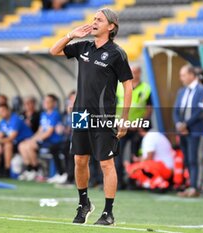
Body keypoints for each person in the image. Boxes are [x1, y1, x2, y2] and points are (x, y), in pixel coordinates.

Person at [50, 8, 133, 225]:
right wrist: (71, 35)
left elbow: (128, 85)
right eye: (93, 19)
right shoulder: (83, 46)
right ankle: (83, 203)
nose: (94, 22)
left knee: (106, 164)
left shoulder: (117, 53)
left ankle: (108, 213)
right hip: (80, 114)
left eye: (99, 20)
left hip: (103, 116)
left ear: (111, 26)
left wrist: (124, 118)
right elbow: (54, 50)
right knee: (79, 160)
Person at [115, 64, 152, 190]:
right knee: (118, 154)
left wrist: (139, 123)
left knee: (134, 154)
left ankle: (133, 181)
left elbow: (149, 108)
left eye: (136, 72)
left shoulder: (146, 88)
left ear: (140, 73)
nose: (133, 74)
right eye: (131, 72)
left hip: (137, 127)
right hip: (122, 126)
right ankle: (119, 182)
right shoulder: (119, 86)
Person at [173, 65, 203, 197]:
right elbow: (175, 110)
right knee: (187, 159)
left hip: (195, 130)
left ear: (192, 75)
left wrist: (186, 124)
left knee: (194, 159)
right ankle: (190, 185)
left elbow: (200, 111)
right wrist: (178, 124)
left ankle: (195, 187)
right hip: (182, 131)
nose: (181, 78)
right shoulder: (181, 91)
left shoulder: (202, 90)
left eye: (183, 75)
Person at [18, 94, 63, 182]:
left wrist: (36, 140)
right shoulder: (43, 114)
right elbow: (40, 130)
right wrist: (32, 139)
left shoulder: (55, 114)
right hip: (43, 140)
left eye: (48, 101)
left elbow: (49, 132)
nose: (45, 103)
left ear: (54, 103)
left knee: (29, 146)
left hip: (52, 141)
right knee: (22, 145)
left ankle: (36, 170)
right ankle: (29, 169)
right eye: (44, 101)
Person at [0, 104, 33, 177]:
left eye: (3, 111)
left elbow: (11, 137)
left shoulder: (15, 119)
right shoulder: (2, 121)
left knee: (8, 145)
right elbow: (0, 136)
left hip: (23, 141)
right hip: (13, 142)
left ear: (8, 111)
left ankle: (7, 170)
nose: (1, 113)